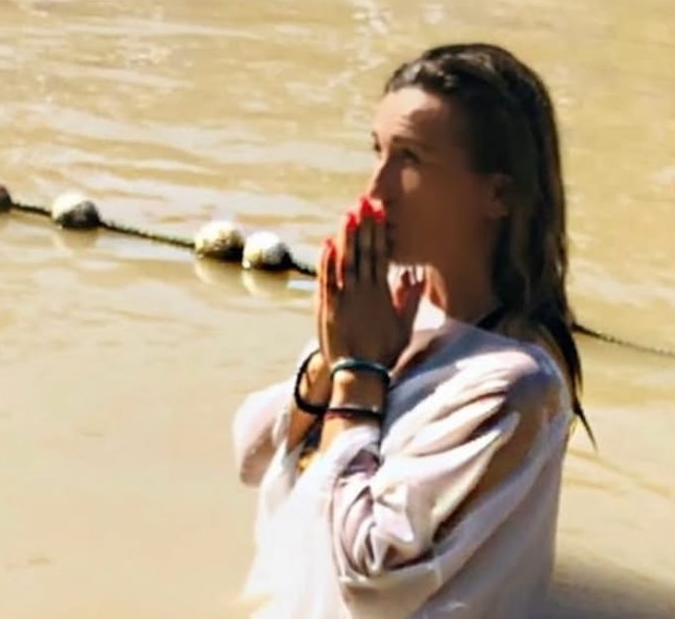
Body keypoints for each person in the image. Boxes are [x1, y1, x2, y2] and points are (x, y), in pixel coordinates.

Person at [231, 42, 591, 619]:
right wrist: (329, 361)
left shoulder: (514, 384)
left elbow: (367, 573)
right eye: (378, 151)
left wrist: (359, 379)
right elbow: (250, 457)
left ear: (497, 194)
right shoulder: (394, 308)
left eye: (411, 160)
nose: (376, 190)